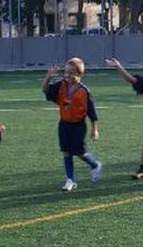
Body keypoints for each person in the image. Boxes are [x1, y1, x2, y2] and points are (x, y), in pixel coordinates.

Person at [42, 58, 101, 191]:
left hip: (79, 125)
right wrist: (48, 77)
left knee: (80, 153)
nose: (68, 76)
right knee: (66, 152)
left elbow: (92, 113)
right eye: (66, 72)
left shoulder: (84, 91)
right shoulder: (61, 85)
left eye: (72, 73)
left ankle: (95, 165)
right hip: (64, 124)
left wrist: (95, 130)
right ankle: (70, 180)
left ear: (80, 75)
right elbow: (45, 90)